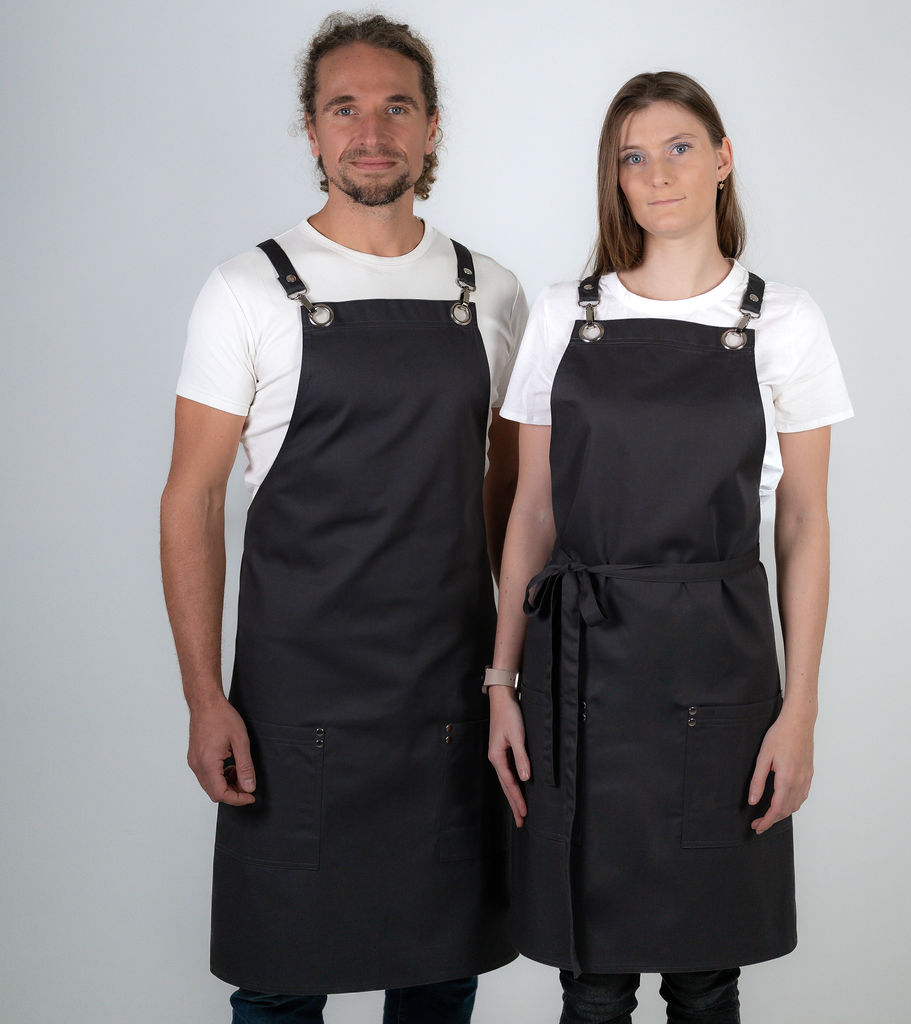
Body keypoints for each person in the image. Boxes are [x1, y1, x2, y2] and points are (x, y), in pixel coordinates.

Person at [160, 13, 526, 1023]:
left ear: (432, 127)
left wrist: (515, 677)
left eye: (396, 108)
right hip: (293, 704)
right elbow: (192, 498)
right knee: (280, 984)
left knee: (440, 972)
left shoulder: (492, 294)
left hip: (448, 696)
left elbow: (512, 508)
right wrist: (203, 696)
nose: (371, 133)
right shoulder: (246, 290)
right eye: (344, 109)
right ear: (312, 129)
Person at [484, 71, 853, 1022]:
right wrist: (501, 683)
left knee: (706, 973)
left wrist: (801, 711)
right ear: (615, 179)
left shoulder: (783, 321)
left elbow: (804, 523)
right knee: (592, 978)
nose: (657, 174)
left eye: (680, 147)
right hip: (578, 676)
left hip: (719, 673)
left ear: (723, 159)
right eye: (633, 157)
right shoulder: (566, 314)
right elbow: (532, 513)